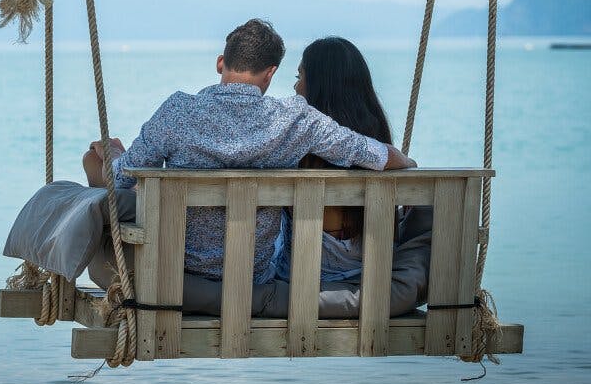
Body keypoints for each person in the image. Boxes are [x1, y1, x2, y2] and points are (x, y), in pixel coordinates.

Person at [82, 19, 415, 287]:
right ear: (270, 72)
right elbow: (374, 154)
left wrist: (111, 153)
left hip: (177, 270)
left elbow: (121, 178)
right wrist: (408, 162)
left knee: (94, 161)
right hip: (254, 276)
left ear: (221, 63)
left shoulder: (177, 111)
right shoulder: (295, 120)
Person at [276, 36, 396, 283]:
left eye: (299, 77)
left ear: (319, 84)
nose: (295, 87)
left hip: (302, 276)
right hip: (371, 271)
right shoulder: (375, 137)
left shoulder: (303, 143)